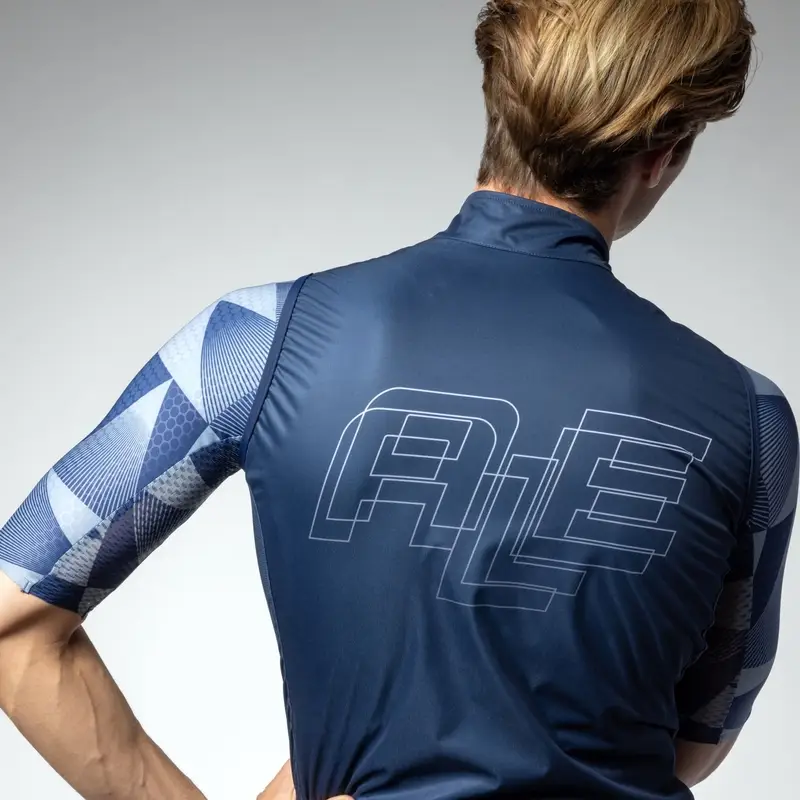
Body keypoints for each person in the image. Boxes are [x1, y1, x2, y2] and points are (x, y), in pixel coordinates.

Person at [0, 0, 795, 798]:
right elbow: (693, 740)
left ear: (496, 94)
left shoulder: (254, 343)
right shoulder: (751, 420)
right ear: (665, 152)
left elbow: (14, 626)